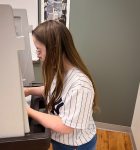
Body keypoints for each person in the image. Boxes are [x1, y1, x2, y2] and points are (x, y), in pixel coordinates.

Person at [24, 20, 99, 150]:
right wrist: (28, 91)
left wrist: (29, 112)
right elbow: (51, 90)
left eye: (39, 50)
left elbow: (66, 126)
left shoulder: (80, 86)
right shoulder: (59, 71)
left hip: (75, 144)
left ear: (55, 50)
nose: (38, 55)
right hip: (59, 139)